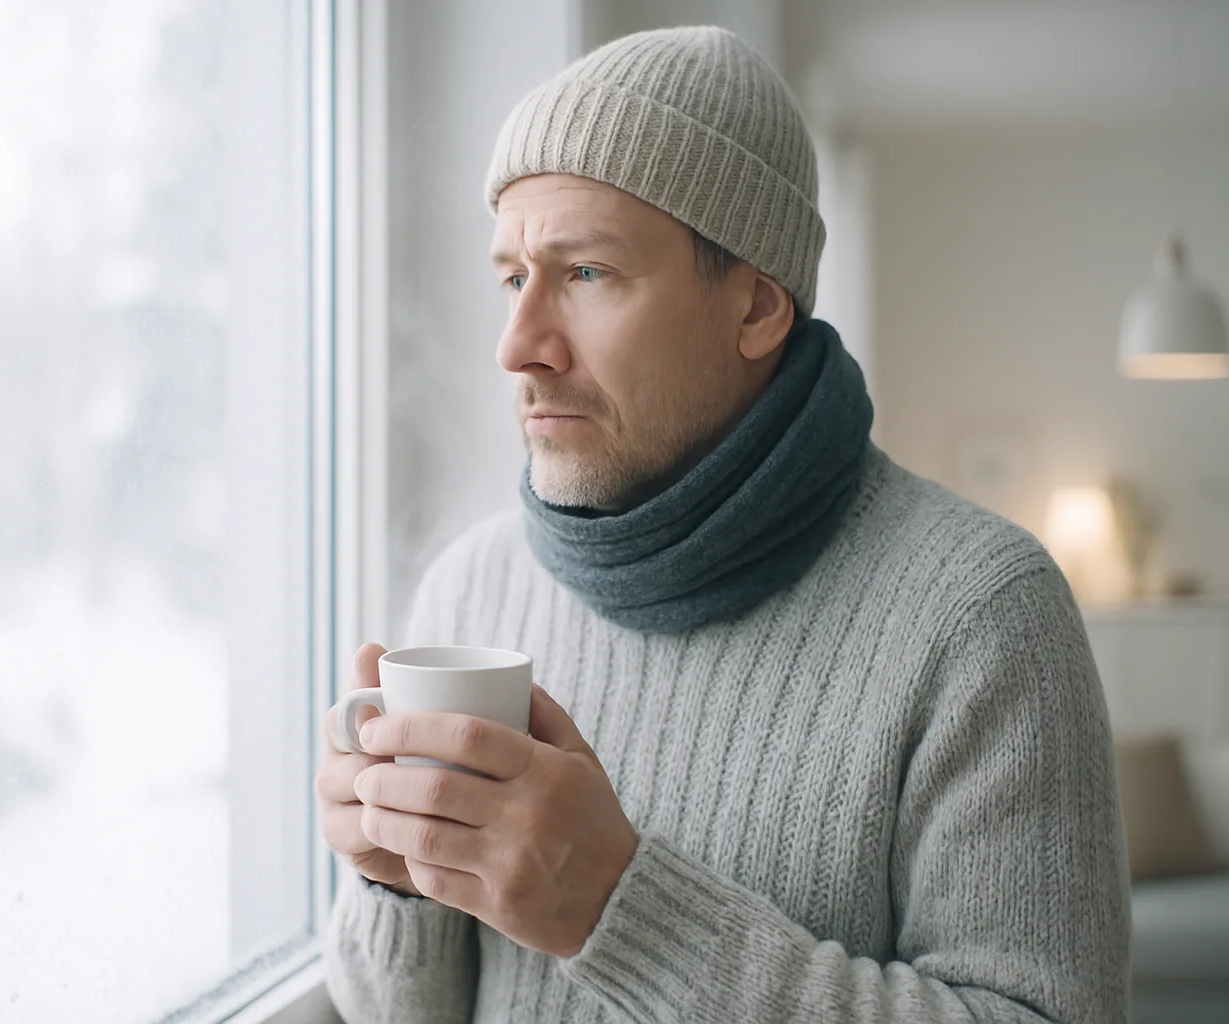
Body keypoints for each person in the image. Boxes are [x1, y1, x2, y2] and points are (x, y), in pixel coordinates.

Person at [316, 25, 1129, 1024]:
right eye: (509, 278)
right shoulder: (470, 589)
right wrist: (391, 875)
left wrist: (619, 910)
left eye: (585, 274)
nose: (517, 344)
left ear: (754, 307)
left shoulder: (983, 617)